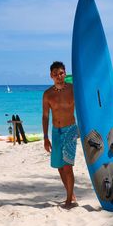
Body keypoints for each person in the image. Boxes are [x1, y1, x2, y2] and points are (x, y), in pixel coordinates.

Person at [42, 61, 78, 209]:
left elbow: (91, 97)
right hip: (56, 132)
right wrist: (45, 137)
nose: (59, 76)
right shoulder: (47, 94)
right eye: (55, 74)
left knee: (68, 167)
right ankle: (71, 193)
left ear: (65, 73)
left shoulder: (73, 89)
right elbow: (45, 116)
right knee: (60, 167)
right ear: (51, 75)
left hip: (70, 131)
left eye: (61, 73)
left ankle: (69, 200)